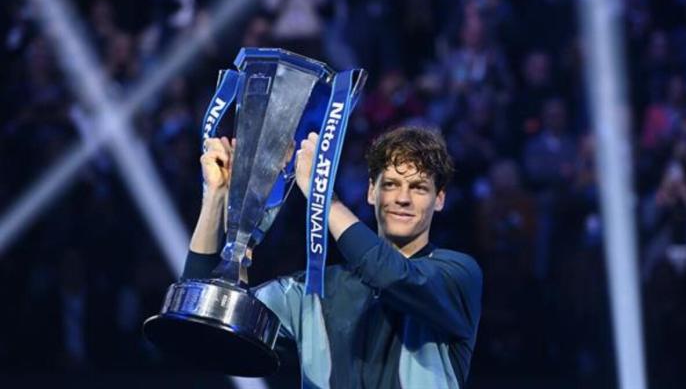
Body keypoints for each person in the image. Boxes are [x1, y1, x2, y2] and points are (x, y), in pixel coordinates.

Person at [182, 126, 482, 388]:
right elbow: (205, 323)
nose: (402, 198)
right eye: (390, 184)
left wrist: (321, 196)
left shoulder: (457, 274)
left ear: (439, 200)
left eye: (418, 188)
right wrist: (216, 197)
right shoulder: (312, 292)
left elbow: (390, 274)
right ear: (371, 192)